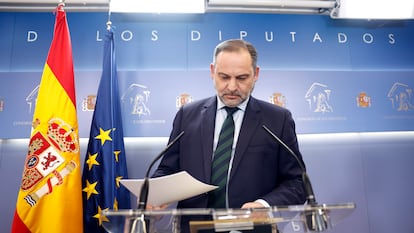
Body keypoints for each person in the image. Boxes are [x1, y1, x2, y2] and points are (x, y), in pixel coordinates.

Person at [150, 39, 306, 232]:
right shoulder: (187, 115)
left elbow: (297, 184)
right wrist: (156, 196)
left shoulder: (277, 119)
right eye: (224, 77)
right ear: (212, 71)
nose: (232, 87)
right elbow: (167, 169)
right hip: (193, 227)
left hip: (251, 228)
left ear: (255, 74)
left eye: (241, 78)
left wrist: (264, 205)